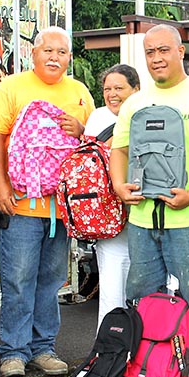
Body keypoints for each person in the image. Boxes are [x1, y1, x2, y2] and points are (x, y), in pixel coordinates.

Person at [109, 24, 189, 377]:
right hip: (143, 219)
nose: (157, 58)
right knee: (141, 295)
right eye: (150, 52)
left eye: (164, 50)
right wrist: (119, 186)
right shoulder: (134, 103)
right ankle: (146, 365)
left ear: (180, 52)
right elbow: (119, 150)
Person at [0, 26, 94, 377]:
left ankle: (43, 349)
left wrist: (82, 130)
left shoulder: (79, 92)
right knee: (18, 280)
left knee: (51, 281)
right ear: (33, 54)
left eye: (62, 52)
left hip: (62, 209)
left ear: (70, 58)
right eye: (48, 50)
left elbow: (94, 145)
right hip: (20, 205)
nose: (54, 57)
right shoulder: (12, 87)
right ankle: (14, 352)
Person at [83, 63, 140, 330]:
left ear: (136, 89)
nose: (112, 94)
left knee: (147, 288)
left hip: (143, 214)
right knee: (111, 287)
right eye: (107, 89)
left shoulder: (149, 113)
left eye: (119, 88)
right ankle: (108, 346)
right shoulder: (97, 117)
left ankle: (147, 347)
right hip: (108, 218)